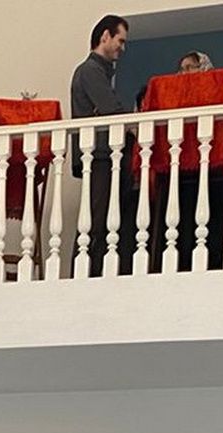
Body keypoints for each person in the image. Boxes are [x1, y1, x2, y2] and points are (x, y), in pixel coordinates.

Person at [70, 14, 131, 276]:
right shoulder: (90, 71)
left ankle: (91, 271)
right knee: (96, 217)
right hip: (98, 155)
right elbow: (111, 109)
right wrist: (132, 123)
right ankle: (84, 273)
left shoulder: (98, 72)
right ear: (105, 36)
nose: (122, 48)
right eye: (120, 40)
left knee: (101, 215)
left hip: (101, 154)